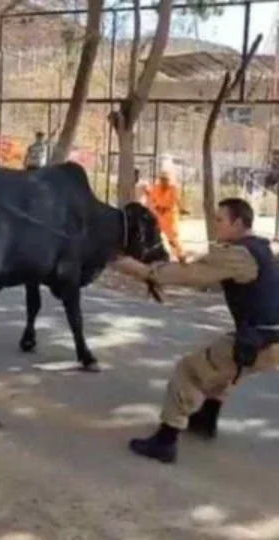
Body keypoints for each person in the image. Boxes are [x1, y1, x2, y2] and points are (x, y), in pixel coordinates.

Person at [111, 198, 279, 464]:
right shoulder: (257, 248)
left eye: (220, 219)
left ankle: (165, 441)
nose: (215, 224)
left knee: (189, 371)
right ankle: (205, 421)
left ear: (237, 223)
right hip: (266, 340)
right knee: (221, 366)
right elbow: (213, 270)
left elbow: (193, 276)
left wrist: (141, 270)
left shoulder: (239, 255)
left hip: (260, 341)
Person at [147, 168, 186, 263]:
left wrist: (182, 209)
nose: (164, 181)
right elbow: (151, 200)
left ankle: (181, 257)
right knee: (153, 235)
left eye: (166, 179)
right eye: (162, 179)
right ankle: (154, 255)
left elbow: (177, 201)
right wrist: (154, 208)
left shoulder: (173, 189)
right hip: (158, 215)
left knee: (173, 239)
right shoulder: (156, 188)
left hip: (170, 215)